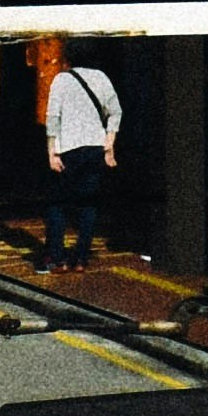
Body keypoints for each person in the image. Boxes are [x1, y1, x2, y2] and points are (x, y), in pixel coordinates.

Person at [40, 44, 123, 268]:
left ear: (67, 58)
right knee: (88, 204)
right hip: (95, 148)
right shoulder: (102, 77)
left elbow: (52, 118)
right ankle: (81, 258)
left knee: (57, 203)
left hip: (68, 148)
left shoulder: (61, 80)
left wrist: (51, 152)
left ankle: (57, 258)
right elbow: (116, 112)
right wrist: (109, 144)